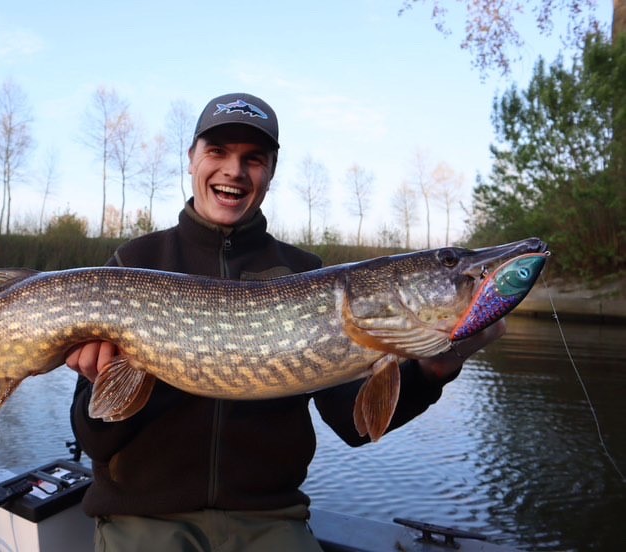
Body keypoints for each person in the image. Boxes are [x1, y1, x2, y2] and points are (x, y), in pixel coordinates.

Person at [65, 92, 504, 551]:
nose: (234, 170)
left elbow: (354, 425)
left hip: (270, 519)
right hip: (143, 515)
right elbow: (94, 441)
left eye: (253, 159)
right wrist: (102, 383)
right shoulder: (133, 264)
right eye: (218, 152)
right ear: (192, 158)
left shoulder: (304, 273)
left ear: (271, 172)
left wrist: (433, 371)